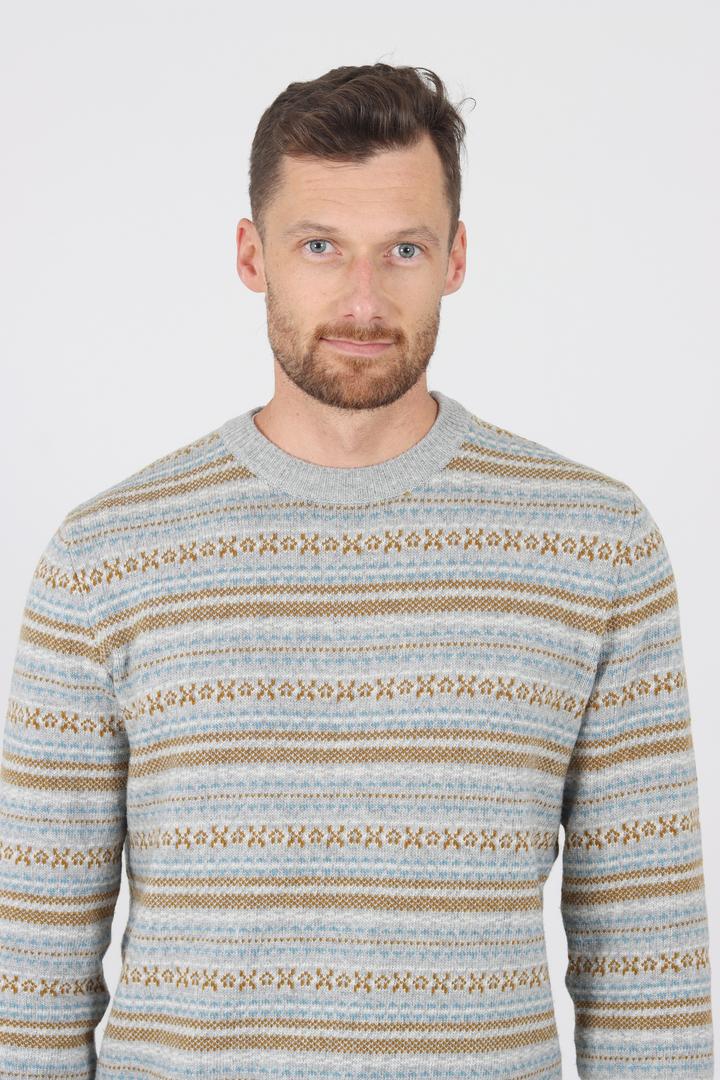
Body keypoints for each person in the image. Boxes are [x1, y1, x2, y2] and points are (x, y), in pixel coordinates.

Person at [0, 62, 713, 1080]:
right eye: (321, 246)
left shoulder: (595, 544)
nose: (364, 300)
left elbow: (650, 966)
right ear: (252, 256)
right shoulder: (107, 554)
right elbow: (28, 976)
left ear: (456, 257)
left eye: (403, 250)